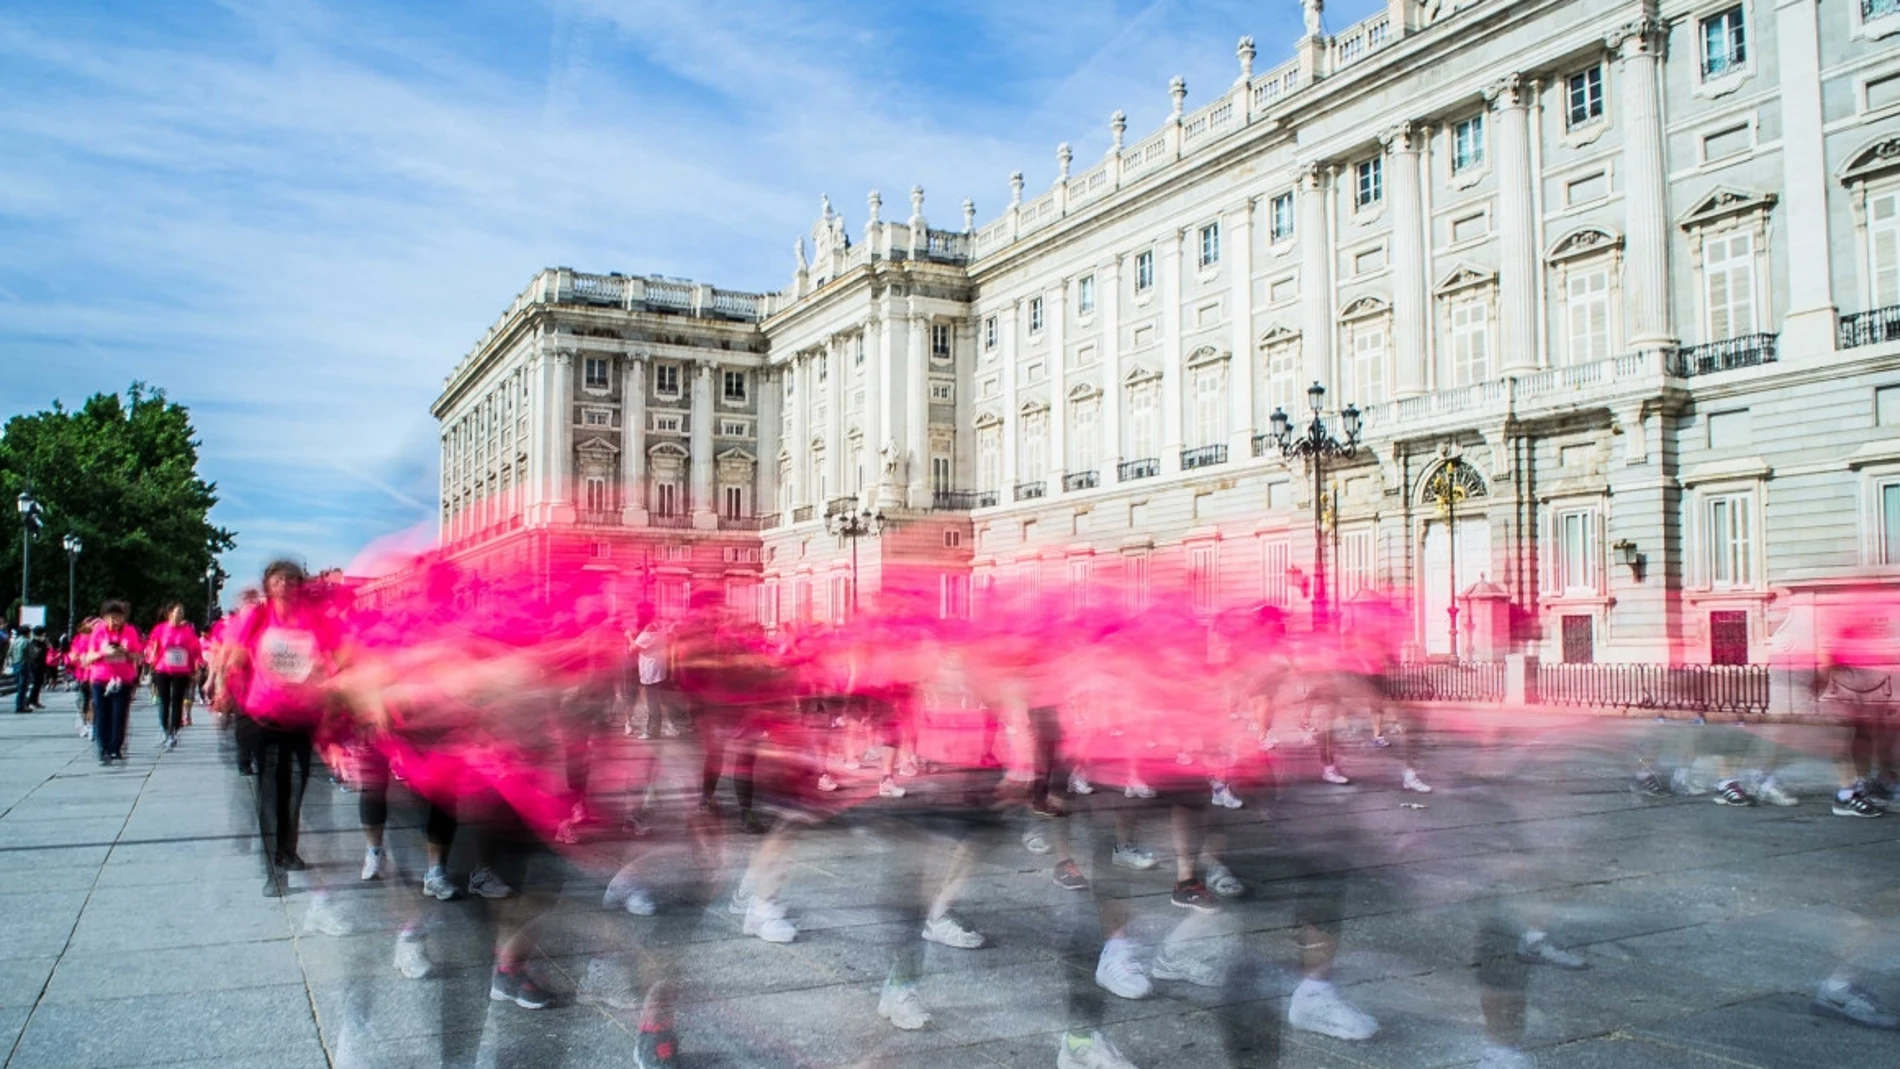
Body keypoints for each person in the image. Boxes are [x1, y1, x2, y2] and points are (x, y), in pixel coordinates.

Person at [81, 602, 143, 764]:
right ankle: (103, 747)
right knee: (102, 714)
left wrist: (126, 652)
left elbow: (138, 655)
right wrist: (103, 652)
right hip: (101, 679)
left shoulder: (130, 631)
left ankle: (116, 748)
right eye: (111, 618)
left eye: (118, 618)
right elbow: (88, 657)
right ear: (104, 618)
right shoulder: (98, 632)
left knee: (119, 715)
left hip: (123, 680)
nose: (114, 621)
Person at [146, 604, 202, 751]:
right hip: (162, 669)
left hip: (182, 670)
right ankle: (165, 728)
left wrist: (197, 665)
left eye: (182, 613)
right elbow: (152, 645)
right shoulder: (160, 629)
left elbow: (195, 649)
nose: (180, 615)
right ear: (169, 614)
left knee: (177, 701)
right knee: (164, 700)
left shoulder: (188, 631)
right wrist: (151, 658)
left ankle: (173, 731)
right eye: (177, 612)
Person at [5, 627, 30, 714]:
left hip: (16, 664)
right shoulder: (26, 642)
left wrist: (12, 661)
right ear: (27, 633)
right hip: (23, 664)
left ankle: (22, 704)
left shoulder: (15, 641)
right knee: (23, 686)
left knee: (20, 685)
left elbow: (9, 653)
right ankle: (20, 706)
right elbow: (32, 654)